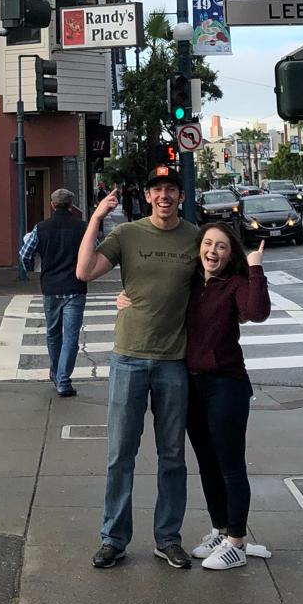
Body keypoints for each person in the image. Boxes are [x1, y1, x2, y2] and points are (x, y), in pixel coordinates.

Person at [119, 220, 270, 569]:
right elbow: (158, 292)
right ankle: (220, 528)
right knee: (207, 463)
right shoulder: (190, 283)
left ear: (229, 254)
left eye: (220, 246)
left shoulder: (234, 283)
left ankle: (236, 541)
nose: (212, 251)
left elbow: (256, 312)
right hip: (192, 383)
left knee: (230, 465)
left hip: (226, 384)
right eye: (207, 244)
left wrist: (255, 268)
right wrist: (128, 297)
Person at [78, 165, 200, 569]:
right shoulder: (127, 234)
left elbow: (213, 283)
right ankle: (113, 538)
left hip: (173, 361)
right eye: (157, 190)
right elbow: (85, 271)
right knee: (120, 454)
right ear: (147, 197)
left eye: (171, 189)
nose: (164, 196)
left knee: (173, 456)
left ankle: (168, 538)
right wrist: (96, 217)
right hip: (128, 356)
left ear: (180, 197)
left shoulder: (194, 238)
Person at [21, 189, 87, 396]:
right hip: (75, 286)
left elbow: (25, 254)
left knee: (53, 332)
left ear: (52, 205)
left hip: (50, 286)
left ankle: (56, 372)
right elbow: (95, 249)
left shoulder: (41, 228)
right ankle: (63, 379)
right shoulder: (82, 228)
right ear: (71, 205)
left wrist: (31, 266)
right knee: (71, 337)